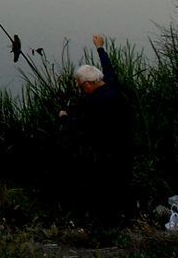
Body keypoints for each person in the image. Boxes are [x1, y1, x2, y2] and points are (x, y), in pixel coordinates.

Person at [58, 33, 134, 223]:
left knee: (104, 184)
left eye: (82, 87)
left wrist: (64, 118)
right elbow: (109, 69)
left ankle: (106, 220)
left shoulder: (94, 102)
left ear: (89, 83)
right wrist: (100, 48)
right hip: (125, 146)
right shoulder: (112, 86)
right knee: (122, 182)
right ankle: (127, 216)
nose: (82, 90)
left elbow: (80, 127)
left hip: (106, 152)